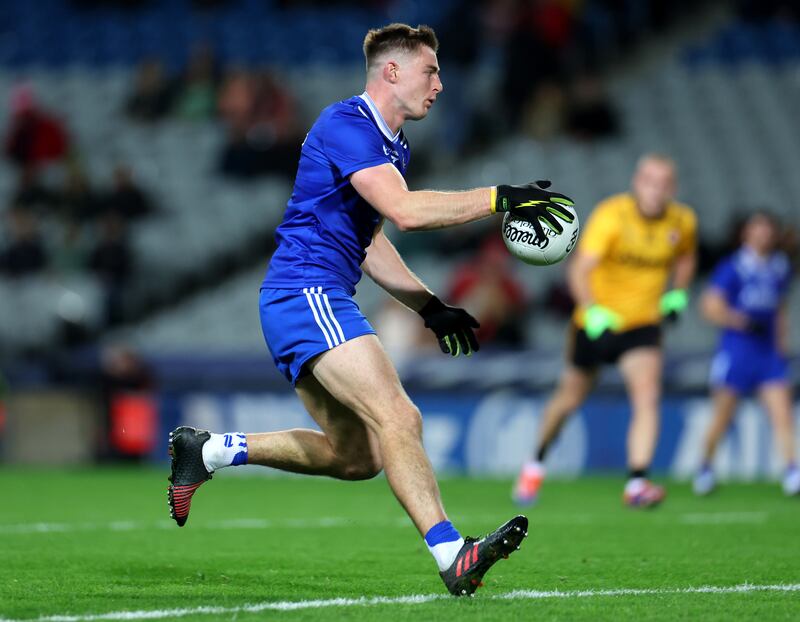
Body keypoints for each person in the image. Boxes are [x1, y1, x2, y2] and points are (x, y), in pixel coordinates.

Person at [167, 23, 576, 597]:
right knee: (401, 419)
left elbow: (372, 240)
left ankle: (208, 450)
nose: (439, 83)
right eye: (430, 71)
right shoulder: (347, 125)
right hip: (307, 291)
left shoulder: (391, 146)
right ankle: (452, 553)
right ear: (392, 72)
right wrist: (499, 198)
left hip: (300, 298)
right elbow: (405, 212)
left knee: (356, 458)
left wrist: (429, 306)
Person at [513, 154, 697, 508]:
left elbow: (686, 256)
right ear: (637, 182)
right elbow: (581, 270)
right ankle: (535, 462)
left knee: (647, 396)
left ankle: (637, 483)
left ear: (672, 188)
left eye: (663, 183)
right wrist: (593, 312)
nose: (656, 190)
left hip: (642, 324)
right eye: (650, 181)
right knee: (568, 400)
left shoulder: (683, 221)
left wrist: (677, 293)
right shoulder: (612, 216)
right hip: (596, 322)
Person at [694, 211, 799, 496]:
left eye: (768, 229)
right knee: (723, 417)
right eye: (757, 229)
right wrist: (738, 319)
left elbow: (780, 309)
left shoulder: (779, 268)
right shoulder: (734, 267)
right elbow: (709, 306)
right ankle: (705, 466)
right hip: (737, 351)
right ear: (746, 234)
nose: (763, 234)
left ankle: (792, 469)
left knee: (782, 414)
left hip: (768, 355)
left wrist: (781, 345)